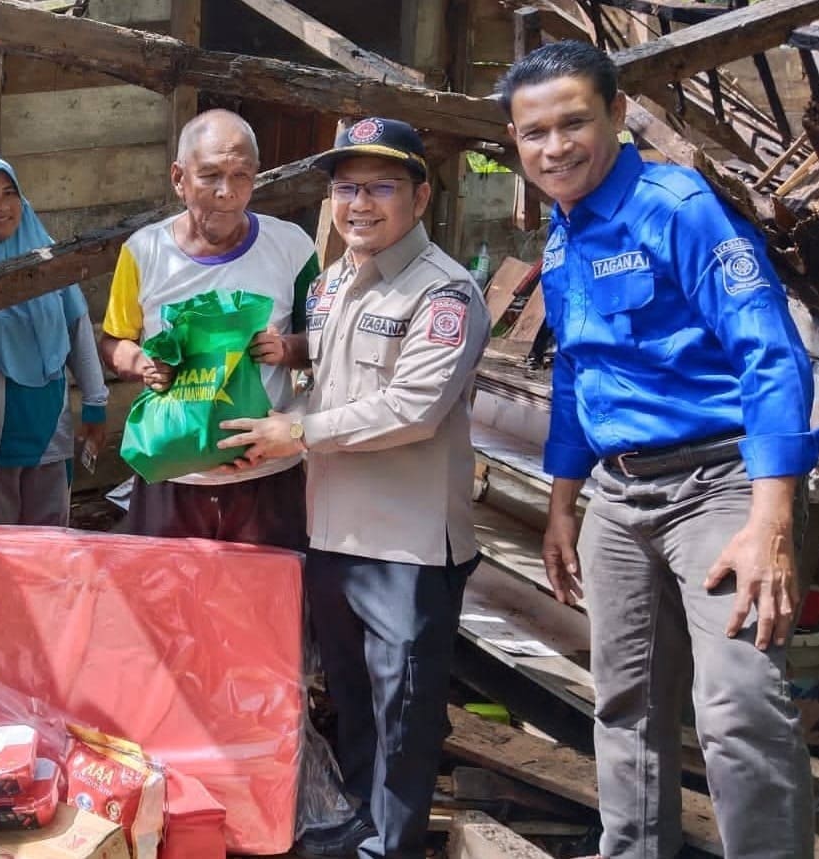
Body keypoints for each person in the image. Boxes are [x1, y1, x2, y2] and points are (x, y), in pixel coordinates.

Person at [501, 41, 817, 858]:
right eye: (533, 133)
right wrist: (562, 506)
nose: (554, 146)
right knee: (625, 703)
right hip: (615, 493)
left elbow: (770, 354)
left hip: (718, 482)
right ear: (515, 141)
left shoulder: (677, 208)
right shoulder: (564, 236)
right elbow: (575, 371)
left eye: (573, 122)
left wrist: (771, 517)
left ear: (613, 115)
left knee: (738, 703)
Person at [221, 118, 489, 859]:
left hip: (404, 545)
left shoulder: (444, 293)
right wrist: (289, 363)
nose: (359, 203)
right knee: (352, 700)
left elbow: (412, 408)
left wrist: (296, 432)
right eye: (346, 187)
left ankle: (391, 847)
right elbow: (329, 374)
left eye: (380, 187)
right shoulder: (334, 277)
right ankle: (361, 830)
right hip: (332, 531)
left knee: (404, 714)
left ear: (420, 196)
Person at [99, 109, 320, 548]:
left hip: (265, 476)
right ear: (179, 178)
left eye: (242, 175)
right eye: (211, 175)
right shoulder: (145, 252)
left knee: (264, 606)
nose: (227, 192)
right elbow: (113, 341)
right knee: (165, 608)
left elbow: (322, 345)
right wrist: (142, 363)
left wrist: (285, 348)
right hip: (174, 474)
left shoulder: (292, 247)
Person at [0, 156, 108, 525]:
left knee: (50, 543)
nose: (2, 207)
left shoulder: (46, 254)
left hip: (50, 426)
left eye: (9, 193)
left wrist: (95, 403)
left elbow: (77, 328)